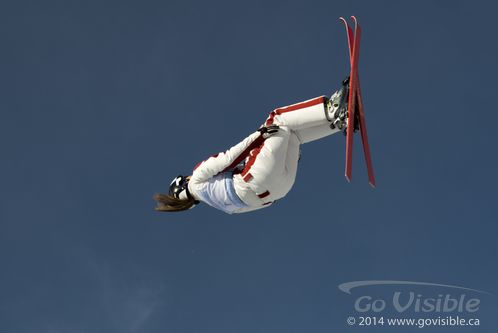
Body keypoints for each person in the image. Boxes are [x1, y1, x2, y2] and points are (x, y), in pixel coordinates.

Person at [155, 78, 352, 214]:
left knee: (293, 134)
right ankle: (331, 109)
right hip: (255, 178)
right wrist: (259, 135)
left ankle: (340, 122)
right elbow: (228, 158)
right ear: (183, 183)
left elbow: (258, 204)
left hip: (280, 189)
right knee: (277, 119)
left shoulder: (221, 206)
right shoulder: (196, 179)